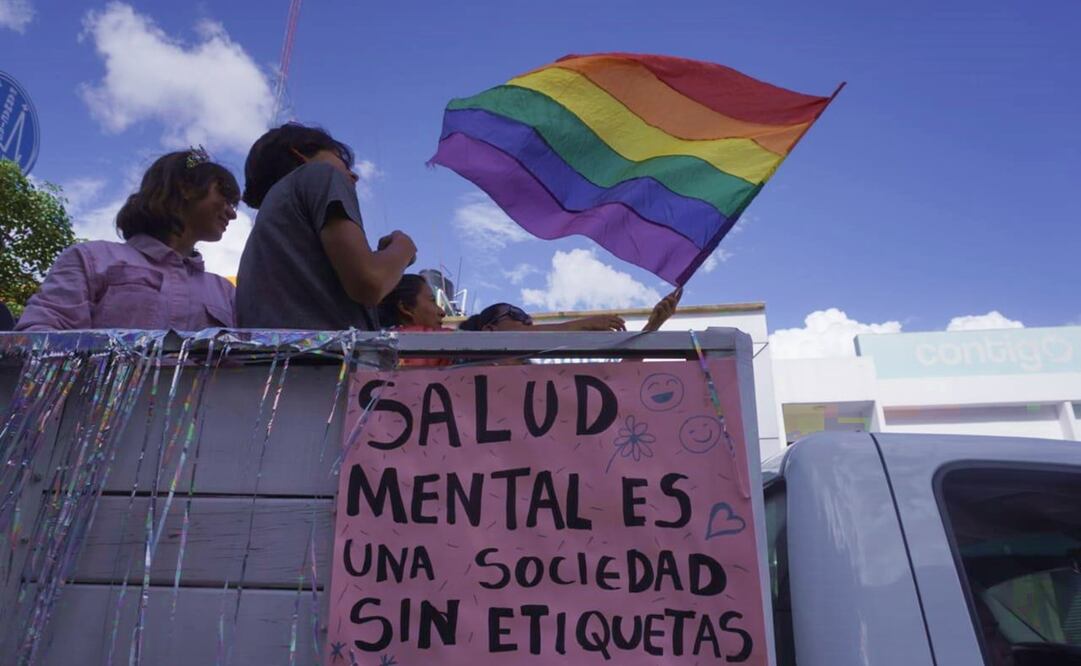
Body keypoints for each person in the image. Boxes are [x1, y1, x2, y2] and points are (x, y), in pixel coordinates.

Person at [15, 149, 239, 331]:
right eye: (225, 196)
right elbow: (39, 338)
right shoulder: (90, 259)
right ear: (186, 188)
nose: (232, 213)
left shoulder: (225, 292)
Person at [236, 123, 415, 330]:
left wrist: (384, 260)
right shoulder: (320, 174)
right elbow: (369, 284)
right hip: (327, 361)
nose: (354, 176)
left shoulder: (263, 236)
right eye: (342, 161)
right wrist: (404, 247)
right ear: (300, 153)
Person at [459, 288, 682, 333]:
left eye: (527, 317)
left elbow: (614, 389)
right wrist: (579, 325)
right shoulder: (457, 367)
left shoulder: (542, 380)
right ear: (489, 331)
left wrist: (652, 328)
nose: (527, 321)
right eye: (516, 314)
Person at [377, 273, 453, 367]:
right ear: (406, 307)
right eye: (432, 300)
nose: (442, 312)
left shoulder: (375, 346)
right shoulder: (426, 343)